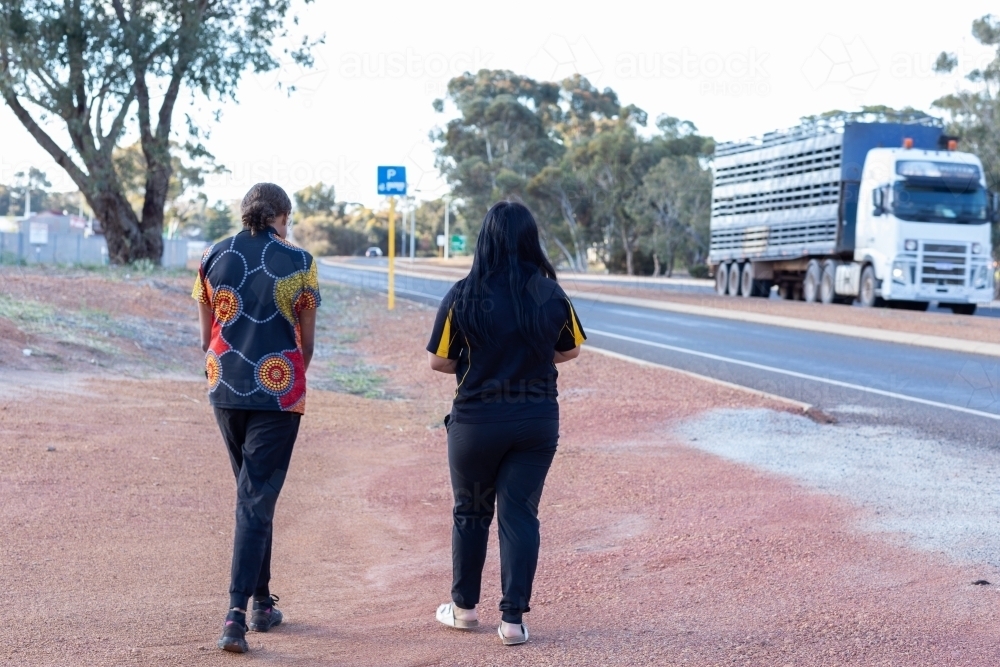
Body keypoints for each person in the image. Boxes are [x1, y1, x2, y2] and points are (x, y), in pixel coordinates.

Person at [426, 200, 586, 646]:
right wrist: (530, 357)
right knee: (519, 515)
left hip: (477, 426)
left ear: (485, 240)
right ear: (530, 239)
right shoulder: (550, 293)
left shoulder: (464, 293)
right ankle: (513, 621)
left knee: (472, 512)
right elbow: (570, 350)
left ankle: (462, 610)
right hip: (535, 425)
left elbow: (439, 361)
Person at [191, 182, 321, 653]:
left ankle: (263, 602)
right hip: (278, 392)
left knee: (252, 496)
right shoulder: (300, 262)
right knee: (255, 499)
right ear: (282, 215)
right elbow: (306, 344)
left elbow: (207, 334)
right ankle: (235, 615)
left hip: (224, 386)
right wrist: (284, 369)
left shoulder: (211, 254)